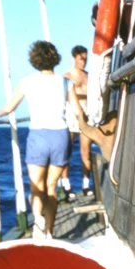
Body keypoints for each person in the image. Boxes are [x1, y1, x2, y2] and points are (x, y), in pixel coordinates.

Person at [0, 41, 84, 239]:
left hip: (38, 136)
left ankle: (37, 218)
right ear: (54, 58)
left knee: (36, 186)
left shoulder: (27, 81)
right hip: (60, 136)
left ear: (35, 59)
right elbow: (77, 111)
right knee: (51, 187)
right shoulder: (65, 82)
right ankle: (50, 232)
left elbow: (9, 108)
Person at [61, 45, 93, 197]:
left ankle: (86, 185)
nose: (83, 62)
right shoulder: (67, 76)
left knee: (85, 151)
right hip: (71, 114)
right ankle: (66, 185)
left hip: (87, 114)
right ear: (74, 58)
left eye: (85, 59)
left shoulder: (89, 76)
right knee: (66, 150)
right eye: (81, 59)